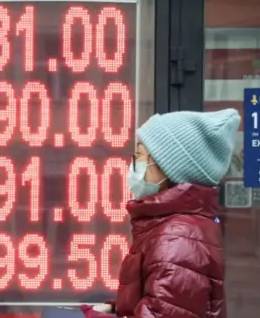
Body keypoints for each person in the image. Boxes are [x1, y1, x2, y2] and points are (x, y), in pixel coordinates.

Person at [82, 109, 239, 318]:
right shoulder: (179, 229)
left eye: (140, 156)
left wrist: (90, 316)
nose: (134, 165)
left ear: (169, 168)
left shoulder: (175, 241)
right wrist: (116, 309)